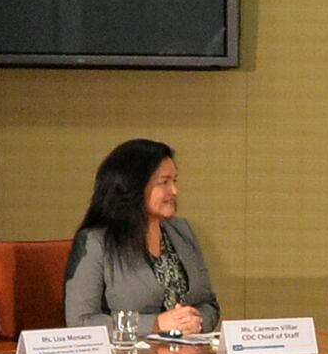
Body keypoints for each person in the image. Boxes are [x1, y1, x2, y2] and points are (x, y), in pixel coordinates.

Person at [65, 137, 219, 334]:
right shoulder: (95, 242)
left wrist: (198, 322)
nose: (174, 190)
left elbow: (209, 304)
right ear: (134, 187)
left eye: (175, 181)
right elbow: (81, 321)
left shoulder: (182, 230)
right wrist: (156, 324)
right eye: (164, 182)